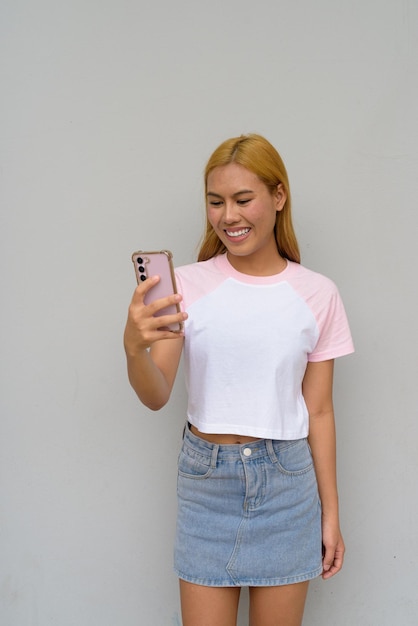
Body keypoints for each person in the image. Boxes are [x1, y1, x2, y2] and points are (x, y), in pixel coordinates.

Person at [124, 134, 354, 626]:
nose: (228, 216)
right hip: (206, 485)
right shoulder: (184, 285)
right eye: (215, 202)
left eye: (243, 199)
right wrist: (133, 348)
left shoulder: (318, 293)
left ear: (278, 196)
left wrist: (330, 515)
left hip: (287, 487)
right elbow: (155, 393)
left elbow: (319, 411)